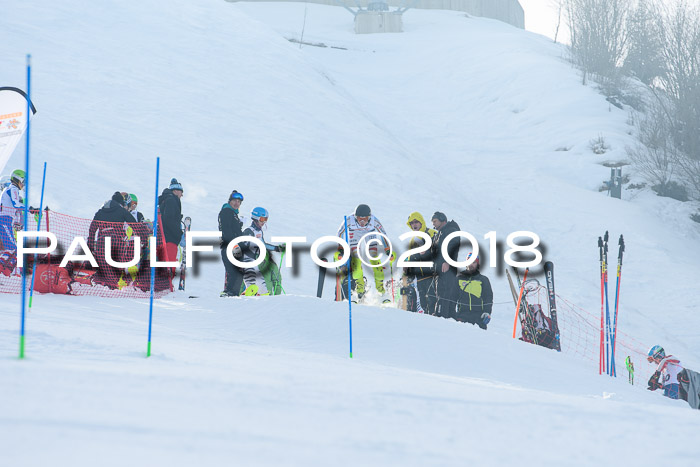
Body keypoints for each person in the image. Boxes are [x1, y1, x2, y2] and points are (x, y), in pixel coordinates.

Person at [87, 192, 145, 289]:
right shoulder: (121, 211)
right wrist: (143, 238)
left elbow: (92, 228)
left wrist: (91, 244)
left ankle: (100, 284)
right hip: (117, 243)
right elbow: (135, 225)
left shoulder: (100, 212)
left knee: (103, 266)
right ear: (121, 203)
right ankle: (113, 287)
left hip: (101, 242)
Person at [336, 204, 392, 302]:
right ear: (355, 217)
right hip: (355, 234)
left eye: (365, 219)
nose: (362, 222)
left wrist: (387, 249)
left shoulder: (374, 221)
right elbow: (340, 233)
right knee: (356, 267)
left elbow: (383, 234)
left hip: (369, 233)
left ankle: (381, 291)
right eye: (359, 219)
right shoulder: (349, 220)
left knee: (374, 259)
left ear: (369, 218)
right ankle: (360, 290)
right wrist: (341, 248)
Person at [239, 207, 285, 296]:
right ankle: (244, 301)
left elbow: (263, 245)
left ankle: (260, 304)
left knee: (263, 290)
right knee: (252, 287)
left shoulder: (259, 232)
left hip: (255, 263)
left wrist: (276, 248)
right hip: (247, 263)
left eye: (266, 219)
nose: (264, 222)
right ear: (255, 218)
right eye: (262, 219)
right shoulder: (248, 231)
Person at [426, 211, 460, 318]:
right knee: (438, 292)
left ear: (442, 220)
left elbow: (453, 246)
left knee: (444, 293)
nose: (433, 224)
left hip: (446, 268)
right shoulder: (439, 233)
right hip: (438, 268)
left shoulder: (450, 231)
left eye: (435, 221)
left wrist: (448, 261)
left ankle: (442, 315)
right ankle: (443, 314)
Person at [401, 212, 436, 313]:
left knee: (432, 300)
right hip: (420, 276)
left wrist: (428, 252)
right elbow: (411, 256)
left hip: (432, 274)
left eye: (416, 222)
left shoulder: (431, 233)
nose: (414, 224)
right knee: (423, 302)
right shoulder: (413, 239)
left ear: (421, 222)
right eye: (412, 223)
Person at [454, 253, 493, 329]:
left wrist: (487, 312)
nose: (471, 264)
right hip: (462, 316)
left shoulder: (483, 280)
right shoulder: (459, 278)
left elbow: (488, 297)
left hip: (479, 317)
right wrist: (453, 314)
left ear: (477, 264)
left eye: (474, 262)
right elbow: (452, 297)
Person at [218, 190, 245, 297]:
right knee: (235, 270)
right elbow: (226, 230)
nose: (236, 203)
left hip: (233, 245)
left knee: (235, 270)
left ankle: (231, 292)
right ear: (230, 201)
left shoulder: (233, 213)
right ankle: (230, 293)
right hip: (230, 245)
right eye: (234, 200)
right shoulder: (226, 212)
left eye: (239, 202)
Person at [0, 169, 25, 275]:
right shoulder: (13, 189)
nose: (23, 185)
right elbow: (16, 204)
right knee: (12, 248)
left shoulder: (9, 189)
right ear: (17, 179)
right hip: (4, 220)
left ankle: (3, 268)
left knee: (10, 249)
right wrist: (28, 208)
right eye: (23, 182)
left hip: (6, 220)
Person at [158, 178, 183, 266]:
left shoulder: (165, 200)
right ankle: (167, 279)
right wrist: (179, 233)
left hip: (162, 237)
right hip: (169, 238)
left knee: (164, 264)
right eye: (181, 192)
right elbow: (169, 219)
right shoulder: (171, 200)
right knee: (169, 264)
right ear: (175, 191)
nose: (182, 195)